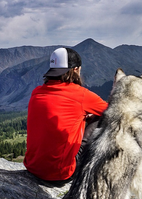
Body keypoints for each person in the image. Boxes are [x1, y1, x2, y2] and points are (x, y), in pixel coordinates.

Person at [24, 47, 108, 184]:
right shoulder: (81, 94)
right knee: (103, 117)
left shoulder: (37, 92)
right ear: (75, 70)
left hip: (33, 168)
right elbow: (114, 110)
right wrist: (91, 115)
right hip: (60, 174)